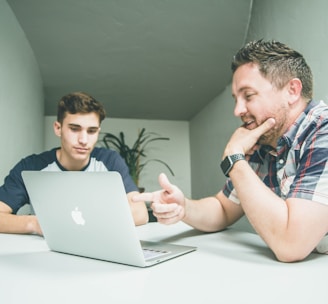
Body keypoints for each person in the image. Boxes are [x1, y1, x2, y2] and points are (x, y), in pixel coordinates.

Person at [133, 40, 328, 262]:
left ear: (292, 91)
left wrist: (234, 157)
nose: (238, 110)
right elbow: (223, 209)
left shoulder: (323, 131)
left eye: (249, 95)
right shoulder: (264, 142)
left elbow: (291, 246)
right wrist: (183, 207)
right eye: (236, 99)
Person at [0, 91, 149, 235]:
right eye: (74, 129)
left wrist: (82, 221)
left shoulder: (109, 161)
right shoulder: (31, 167)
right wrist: (35, 223)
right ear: (58, 128)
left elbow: (140, 214)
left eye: (91, 131)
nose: (83, 140)